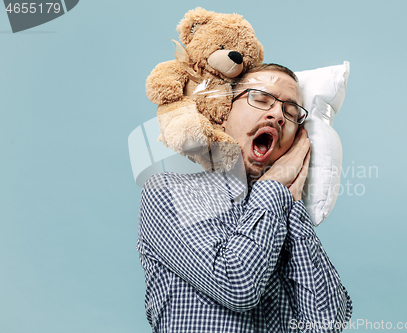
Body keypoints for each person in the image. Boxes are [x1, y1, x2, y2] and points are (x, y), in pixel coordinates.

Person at [137, 64, 352, 332]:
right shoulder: (168, 190)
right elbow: (237, 285)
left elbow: (327, 323)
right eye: (260, 99)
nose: (277, 115)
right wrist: (273, 185)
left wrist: (294, 204)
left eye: (291, 111)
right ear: (224, 113)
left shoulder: (287, 213)